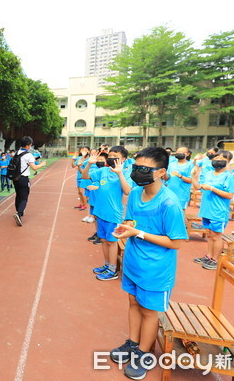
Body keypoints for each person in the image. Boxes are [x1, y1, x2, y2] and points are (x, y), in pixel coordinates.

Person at [110, 147, 187, 380]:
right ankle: (133, 343)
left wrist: (138, 232)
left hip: (156, 270)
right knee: (133, 302)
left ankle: (145, 353)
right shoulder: (135, 193)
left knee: (150, 311)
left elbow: (175, 243)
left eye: (144, 169)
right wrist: (124, 229)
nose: (137, 173)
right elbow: (131, 221)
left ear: (161, 172)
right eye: (135, 168)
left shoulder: (169, 203)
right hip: (134, 262)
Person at [82, 146, 132, 281]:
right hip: (100, 212)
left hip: (113, 215)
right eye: (110, 155)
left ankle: (112, 270)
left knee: (112, 242)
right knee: (104, 240)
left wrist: (120, 173)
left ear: (123, 159)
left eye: (115, 155)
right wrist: (89, 163)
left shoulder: (126, 174)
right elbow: (85, 176)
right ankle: (107, 265)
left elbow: (127, 191)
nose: (111, 158)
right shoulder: (103, 170)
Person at [191, 150, 234, 270]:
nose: (218, 159)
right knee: (210, 235)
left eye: (223, 158)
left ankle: (216, 260)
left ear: (228, 161)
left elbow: (230, 195)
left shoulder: (228, 177)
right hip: (206, 209)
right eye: (217, 157)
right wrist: (194, 176)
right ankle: (209, 256)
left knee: (216, 236)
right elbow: (198, 187)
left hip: (218, 211)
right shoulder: (209, 173)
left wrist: (212, 188)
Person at [13, 136, 47, 226]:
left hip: (15, 178)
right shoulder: (28, 155)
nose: (30, 147)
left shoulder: (17, 153)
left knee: (18, 195)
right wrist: (42, 164)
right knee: (24, 197)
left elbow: (23, 162)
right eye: (30, 145)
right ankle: (19, 214)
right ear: (28, 145)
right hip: (24, 178)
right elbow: (34, 167)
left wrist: (34, 159)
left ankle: (18, 210)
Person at [85, 152, 107, 244]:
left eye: (102, 160)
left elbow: (109, 186)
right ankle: (98, 233)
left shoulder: (108, 172)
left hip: (102, 200)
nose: (100, 161)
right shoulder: (95, 170)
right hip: (94, 199)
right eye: (98, 159)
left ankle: (102, 236)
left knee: (102, 218)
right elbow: (85, 176)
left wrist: (98, 187)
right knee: (95, 217)